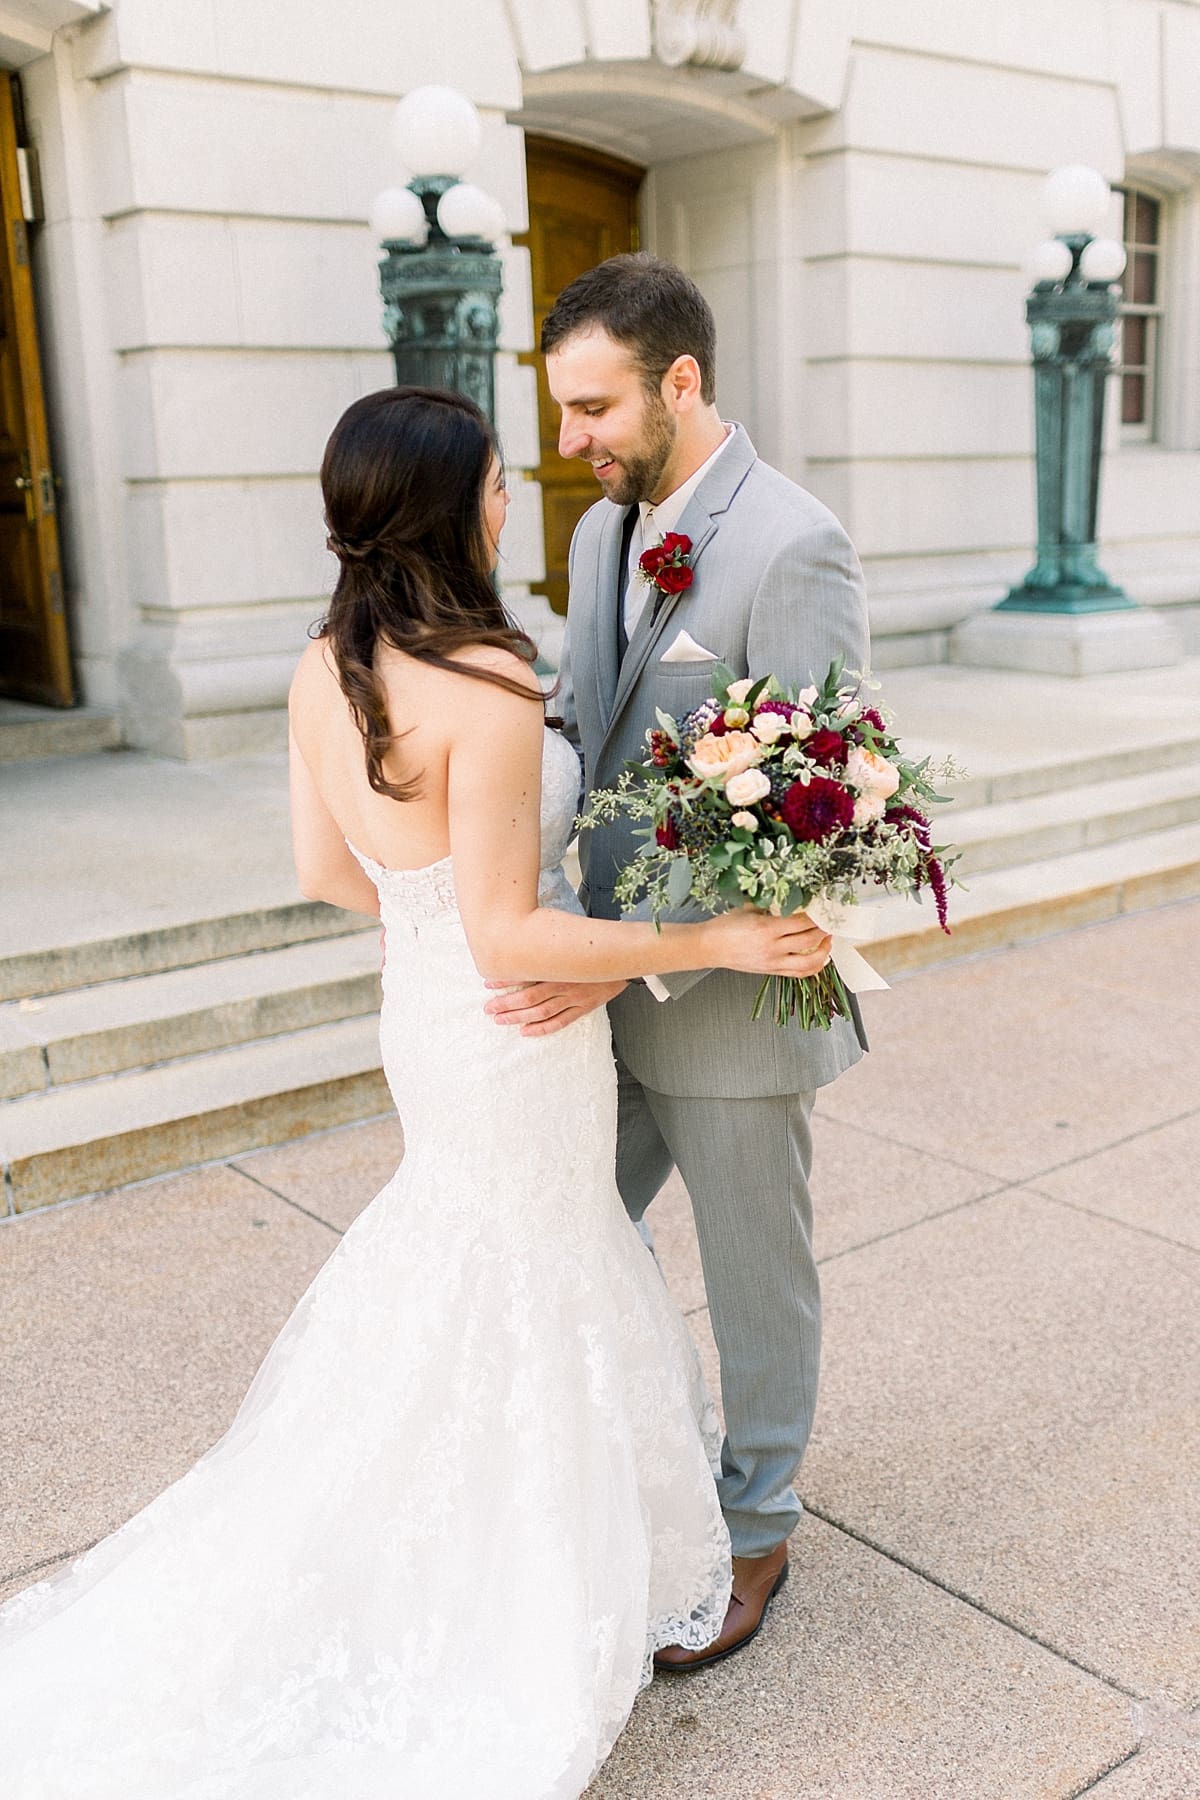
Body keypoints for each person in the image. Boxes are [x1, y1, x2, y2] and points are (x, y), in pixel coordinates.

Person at [0, 385, 835, 1799]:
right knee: (531, 1268)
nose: (515, 494)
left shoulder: (320, 665)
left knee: (472, 1259)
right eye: (501, 477)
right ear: (455, 510)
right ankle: (510, 1567)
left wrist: (442, 934)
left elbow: (335, 874)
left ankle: (432, 1521)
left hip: (433, 1020)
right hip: (514, 1027)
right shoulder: (494, 688)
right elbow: (515, 935)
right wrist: (712, 938)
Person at [485, 254, 871, 1669]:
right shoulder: (601, 540)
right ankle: (618, 1478)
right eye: (563, 410)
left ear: (682, 382)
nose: (570, 440)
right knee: (558, 1227)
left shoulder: (794, 544)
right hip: (598, 986)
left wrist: (638, 960)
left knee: (756, 1274)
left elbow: (820, 812)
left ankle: (757, 1525)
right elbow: (588, 732)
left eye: (592, 409)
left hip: (729, 1004)